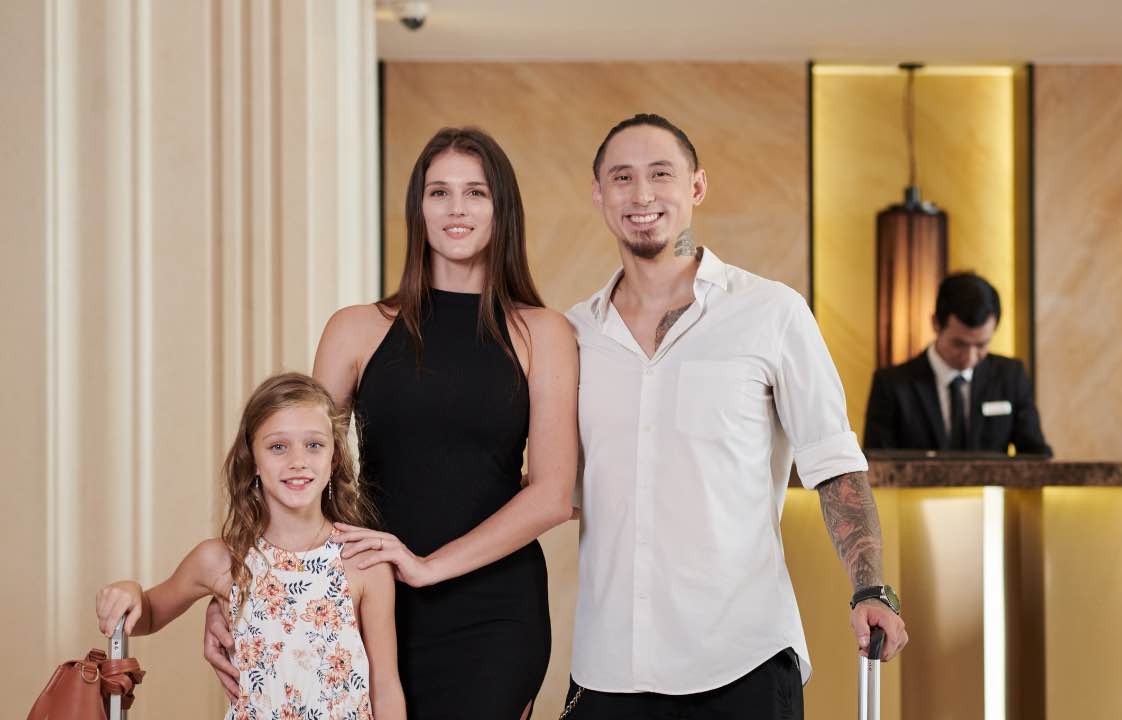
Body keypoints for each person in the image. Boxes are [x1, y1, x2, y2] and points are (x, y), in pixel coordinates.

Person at [202, 127, 578, 720]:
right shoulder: (356, 329)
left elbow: (553, 494)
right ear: (417, 209)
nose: (457, 209)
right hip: (363, 596)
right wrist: (244, 591)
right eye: (439, 192)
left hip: (494, 609)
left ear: (501, 209)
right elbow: (292, 466)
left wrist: (428, 567)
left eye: (475, 193)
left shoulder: (544, 333)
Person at [559, 114, 907, 719]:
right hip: (608, 667)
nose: (642, 195)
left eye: (660, 174)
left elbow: (833, 464)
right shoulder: (572, 334)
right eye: (622, 177)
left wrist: (870, 586)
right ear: (599, 195)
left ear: (696, 187)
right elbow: (547, 483)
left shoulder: (771, 312)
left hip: (740, 661)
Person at [96, 372, 405, 719]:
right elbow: (148, 615)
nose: (297, 461)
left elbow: (385, 686)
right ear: (253, 460)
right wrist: (131, 591)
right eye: (278, 446)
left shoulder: (364, 562)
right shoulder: (219, 560)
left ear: (334, 458)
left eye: (314, 445)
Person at [863, 272, 1052, 456]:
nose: (969, 358)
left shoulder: (1011, 376)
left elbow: (1036, 456)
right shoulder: (891, 385)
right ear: (936, 323)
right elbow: (878, 467)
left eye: (981, 345)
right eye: (958, 344)